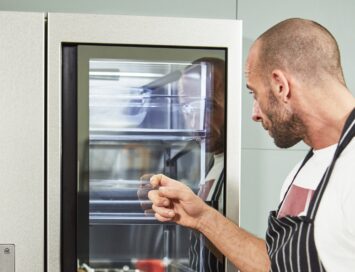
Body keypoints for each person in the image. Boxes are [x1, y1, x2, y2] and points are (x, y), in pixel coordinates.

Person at [148, 18, 355, 272]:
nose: (254, 114)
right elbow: (273, 264)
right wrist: (201, 217)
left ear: (281, 86)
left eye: (254, 94)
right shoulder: (307, 167)